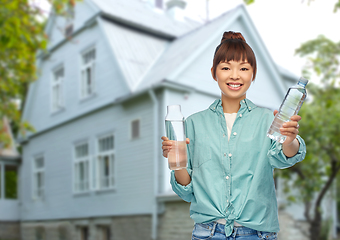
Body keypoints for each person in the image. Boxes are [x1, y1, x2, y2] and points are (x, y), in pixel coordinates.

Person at [161, 31, 306, 240]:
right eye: (226, 68)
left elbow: (284, 157)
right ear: (214, 72)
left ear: (253, 74)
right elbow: (187, 192)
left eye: (244, 68)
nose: (235, 76)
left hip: (257, 233)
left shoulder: (268, 119)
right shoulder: (192, 124)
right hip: (207, 233)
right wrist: (177, 162)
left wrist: (289, 140)